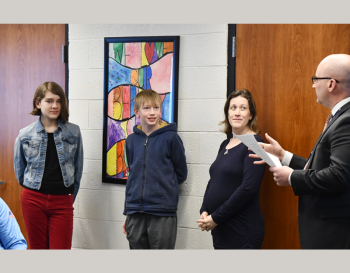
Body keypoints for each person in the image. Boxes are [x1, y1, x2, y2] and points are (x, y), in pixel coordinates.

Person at [250, 54, 350, 249]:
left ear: (331, 84)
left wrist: (292, 178)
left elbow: (339, 176)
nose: (313, 85)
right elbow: (324, 168)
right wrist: (283, 156)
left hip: (333, 235)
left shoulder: (346, 121)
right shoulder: (340, 117)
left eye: (316, 79)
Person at [13, 81, 84, 249]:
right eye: (49, 101)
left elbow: (78, 169)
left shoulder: (73, 132)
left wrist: (68, 198)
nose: (55, 105)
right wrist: (32, 189)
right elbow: (20, 170)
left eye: (59, 101)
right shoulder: (25, 134)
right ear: (38, 103)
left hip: (62, 201)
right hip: (33, 200)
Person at [197, 89, 266, 249]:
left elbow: (248, 188)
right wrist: (205, 209)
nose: (237, 112)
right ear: (227, 113)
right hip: (221, 228)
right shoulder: (225, 144)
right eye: (233, 107)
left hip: (242, 229)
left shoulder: (255, 143)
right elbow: (214, 180)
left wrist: (216, 218)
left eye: (243, 108)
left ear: (250, 115)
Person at [122, 89, 187, 249]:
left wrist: (162, 189)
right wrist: (128, 212)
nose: (152, 113)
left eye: (156, 108)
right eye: (147, 108)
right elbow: (133, 174)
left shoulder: (171, 138)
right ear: (137, 112)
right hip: (135, 211)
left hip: (162, 211)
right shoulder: (131, 141)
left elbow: (180, 174)